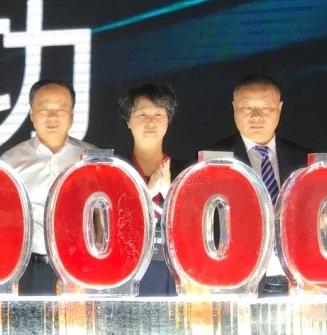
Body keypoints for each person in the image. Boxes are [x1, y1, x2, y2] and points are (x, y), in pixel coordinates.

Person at [206, 75, 311, 294]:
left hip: (297, 282)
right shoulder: (211, 161)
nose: (256, 116)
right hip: (236, 282)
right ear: (234, 108)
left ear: (279, 108)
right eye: (247, 108)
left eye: (266, 108)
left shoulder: (304, 160)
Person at [1, 79, 93, 295]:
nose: (52, 117)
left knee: (77, 319)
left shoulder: (91, 158)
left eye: (61, 109)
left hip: (80, 266)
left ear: (72, 115)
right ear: (32, 114)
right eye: (44, 109)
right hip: (28, 268)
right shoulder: (11, 160)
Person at [119, 83, 187, 297]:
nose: (150, 122)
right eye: (141, 114)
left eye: (158, 114)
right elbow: (108, 232)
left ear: (168, 120)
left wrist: (170, 194)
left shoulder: (187, 172)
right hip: (126, 272)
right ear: (128, 121)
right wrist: (146, 195)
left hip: (175, 275)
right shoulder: (116, 172)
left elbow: (195, 232)